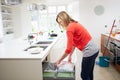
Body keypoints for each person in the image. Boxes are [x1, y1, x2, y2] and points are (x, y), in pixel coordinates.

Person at [55, 11, 99, 80]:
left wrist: (59, 60)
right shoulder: (73, 24)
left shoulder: (69, 28)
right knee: (89, 73)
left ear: (65, 18)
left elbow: (68, 49)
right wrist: (70, 56)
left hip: (89, 51)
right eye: (59, 22)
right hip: (95, 50)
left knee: (84, 75)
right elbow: (73, 44)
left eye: (61, 21)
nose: (61, 24)